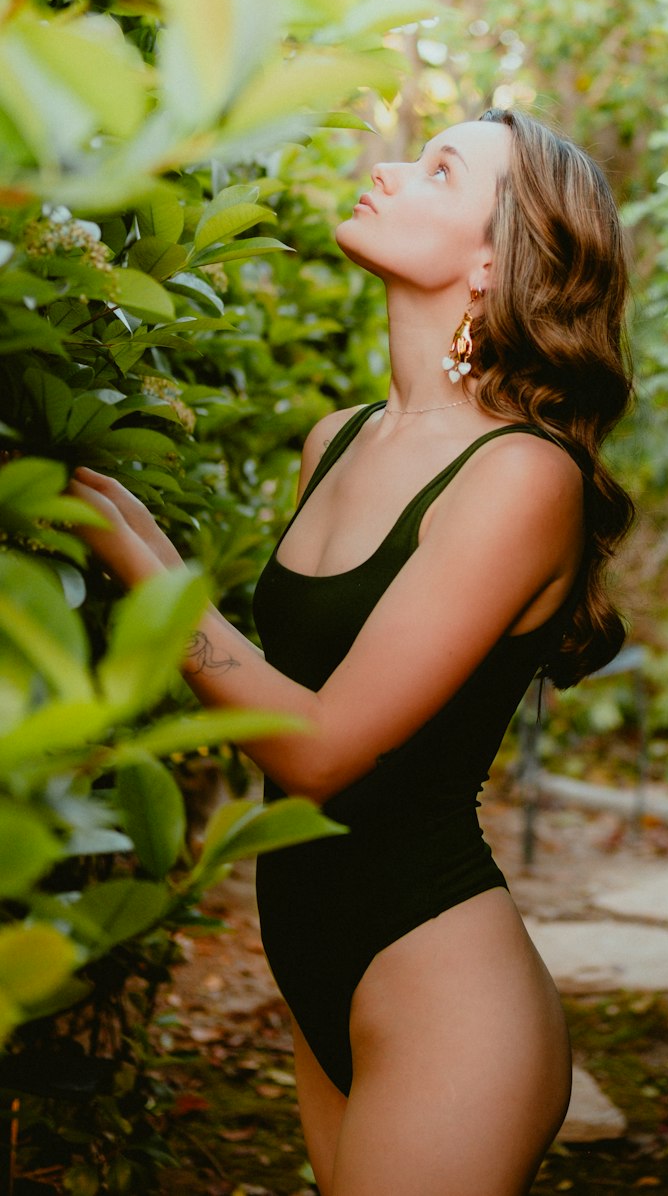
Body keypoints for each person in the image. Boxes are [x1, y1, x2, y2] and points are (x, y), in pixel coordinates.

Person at [70, 107, 634, 1196]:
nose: (386, 171)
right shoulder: (334, 442)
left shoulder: (521, 478)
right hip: (321, 971)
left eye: (436, 169)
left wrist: (140, 563)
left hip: (441, 992)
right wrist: (126, 522)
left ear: (490, 260)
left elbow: (321, 750)